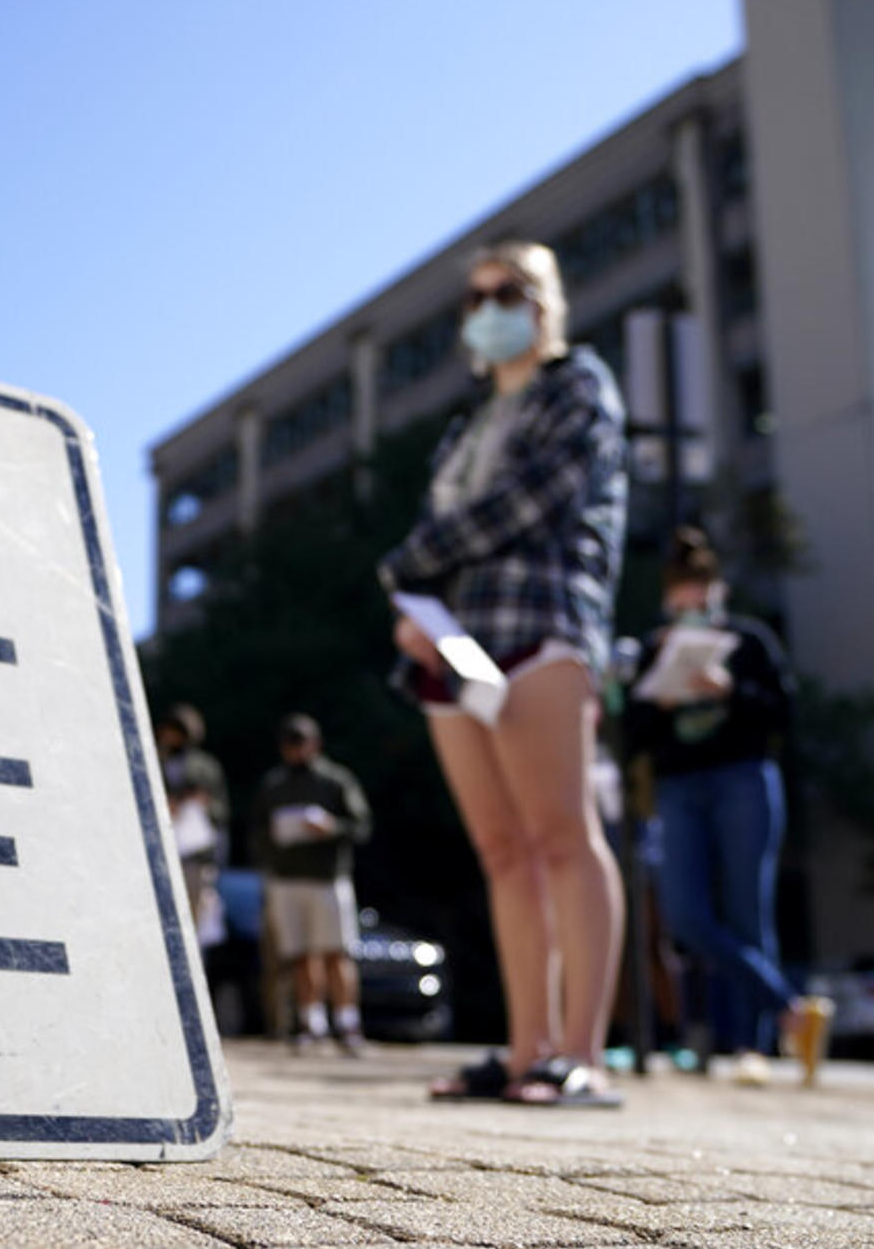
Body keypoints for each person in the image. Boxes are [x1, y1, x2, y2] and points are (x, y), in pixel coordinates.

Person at [379, 238, 629, 1107]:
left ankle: (582, 1057)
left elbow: (530, 502)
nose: (489, 309)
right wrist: (413, 607)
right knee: (500, 851)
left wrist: (407, 565)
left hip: (540, 630)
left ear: (546, 302)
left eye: (509, 292)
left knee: (563, 835)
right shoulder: (464, 429)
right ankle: (527, 1053)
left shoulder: (579, 387)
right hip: (455, 650)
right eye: (476, 296)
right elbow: (447, 540)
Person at [623, 526, 832, 1086]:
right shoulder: (654, 648)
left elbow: (784, 714)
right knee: (686, 915)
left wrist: (729, 690)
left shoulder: (751, 641)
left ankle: (751, 1047)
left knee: (747, 913)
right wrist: (659, 700)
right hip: (680, 786)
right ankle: (792, 1009)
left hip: (744, 777)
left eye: (701, 604)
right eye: (680, 607)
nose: (691, 615)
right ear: (669, 603)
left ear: (718, 595)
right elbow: (632, 735)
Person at [248, 714, 373, 1054]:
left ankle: (348, 1024)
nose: (295, 750)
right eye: (289, 743)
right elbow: (256, 831)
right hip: (287, 879)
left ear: (314, 743)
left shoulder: (335, 781)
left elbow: (360, 826)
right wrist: (273, 840)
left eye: (300, 742)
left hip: (327, 880)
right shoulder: (273, 785)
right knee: (300, 955)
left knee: (336, 953)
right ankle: (310, 1022)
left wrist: (331, 827)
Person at [156, 703, 229, 951]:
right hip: (159, 853)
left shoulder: (205, 766)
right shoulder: (152, 757)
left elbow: (221, 810)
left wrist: (199, 803)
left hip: (195, 855)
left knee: (194, 925)